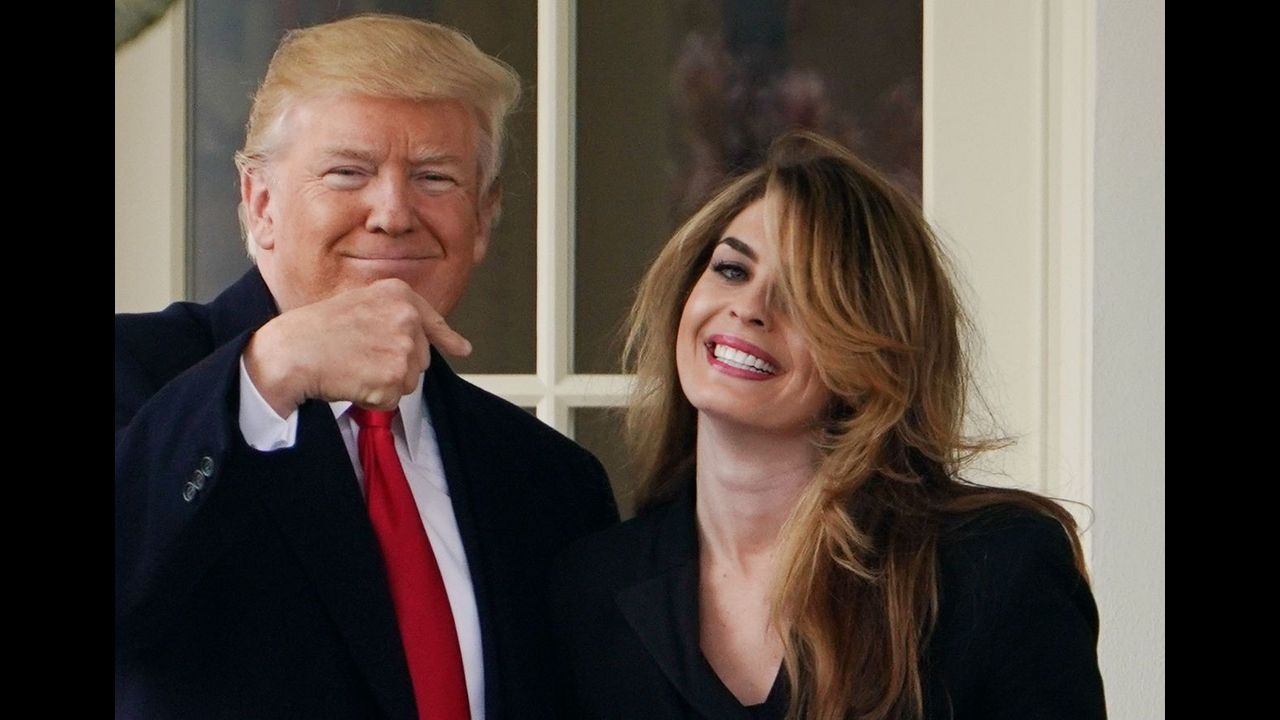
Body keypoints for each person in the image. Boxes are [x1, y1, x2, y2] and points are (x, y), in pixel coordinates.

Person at [115, 15, 619, 720]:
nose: (393, 213)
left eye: (435, 177)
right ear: (260, 203)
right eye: (347, 173)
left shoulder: (552, 483)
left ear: (483, 218)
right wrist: (269, 371)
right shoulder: (139, 378)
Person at [548, 130, 1106, 719]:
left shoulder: (995, 569)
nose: (750, 308)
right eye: (733, 270)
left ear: (872, 351)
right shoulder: (592, 587)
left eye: (803, 294)